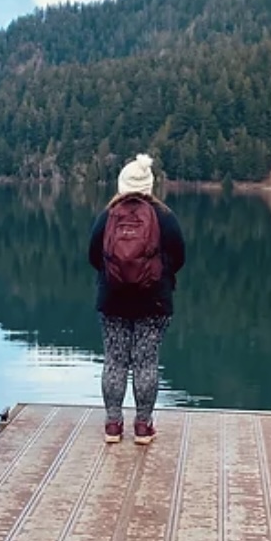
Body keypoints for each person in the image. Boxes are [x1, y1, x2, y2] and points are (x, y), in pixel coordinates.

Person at [88, 153, 186, 445]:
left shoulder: (107, 216)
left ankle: (113, 425)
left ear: (122, 184)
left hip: (113, 300)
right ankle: (143, 426)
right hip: (153, 302)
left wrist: (115, 276)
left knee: (114, 361)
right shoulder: (165, 217)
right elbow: (179, 257)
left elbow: (93, 256)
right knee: (146, 362)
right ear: (149, 185)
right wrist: (158, 276)